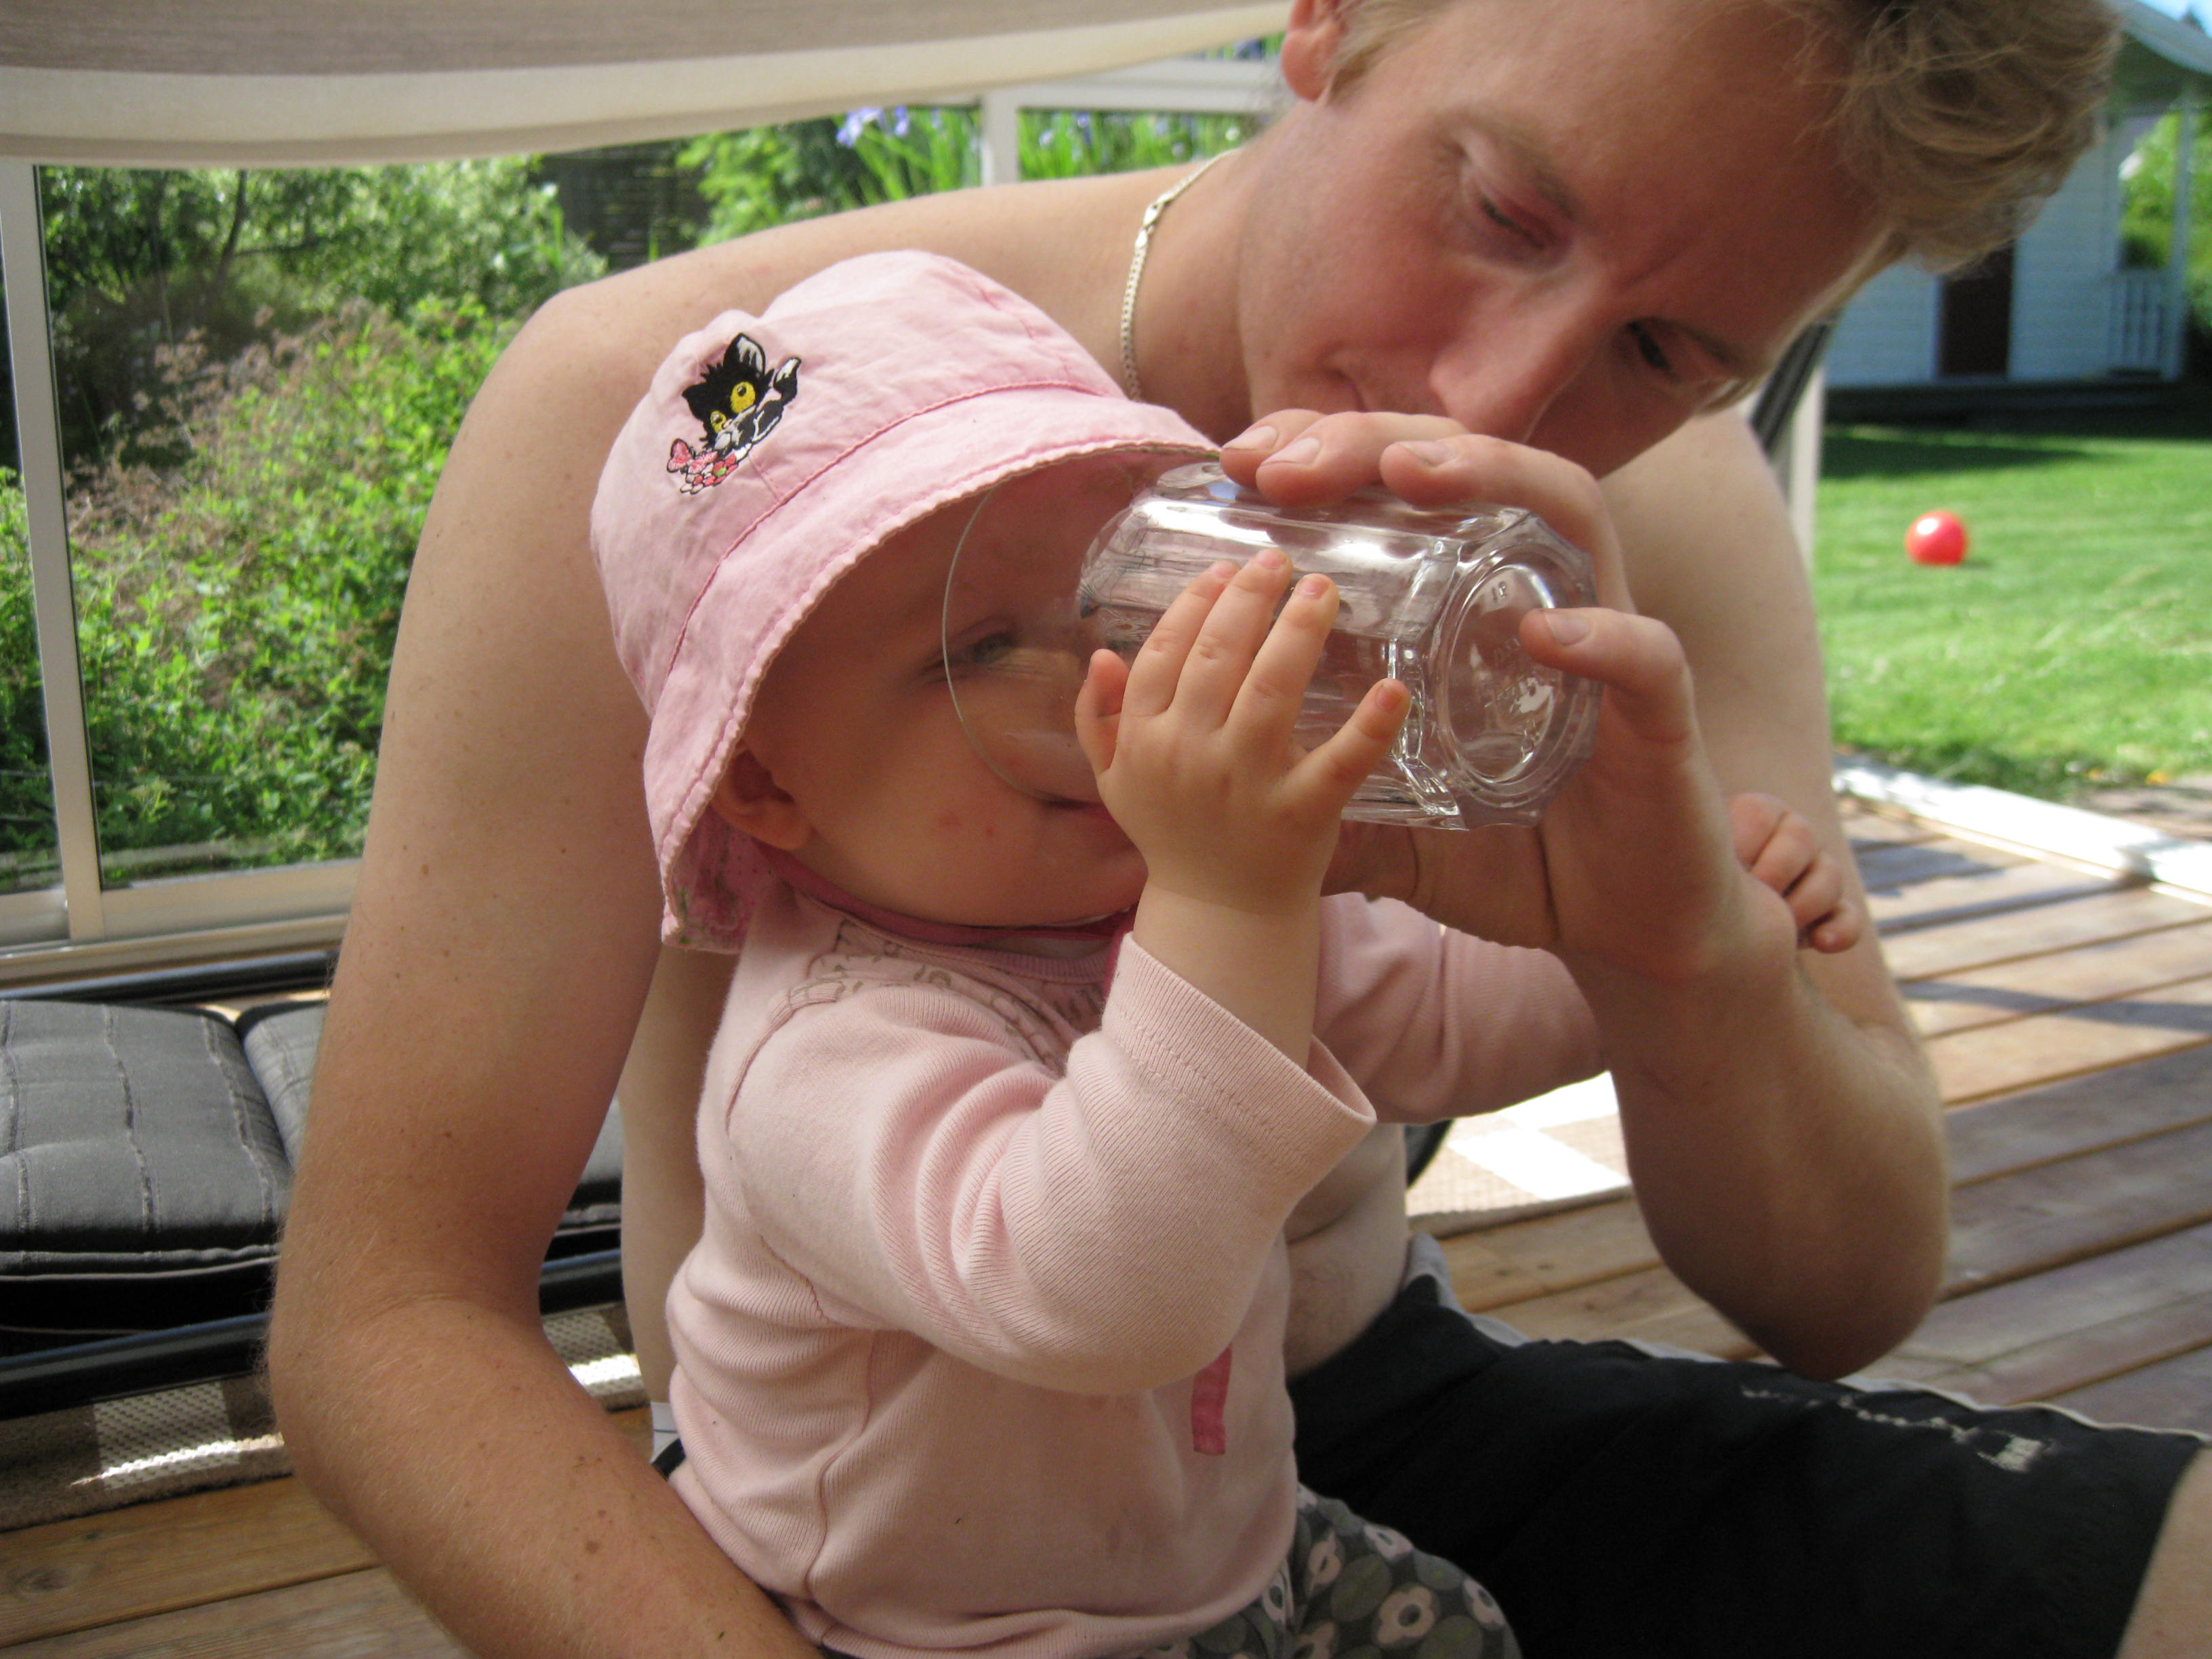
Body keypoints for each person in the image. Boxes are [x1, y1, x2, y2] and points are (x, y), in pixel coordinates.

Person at [266, 1, 2211, 1655]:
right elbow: (389, 1326)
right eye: (1502, 208)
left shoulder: (1643, 519)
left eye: (1669, 354)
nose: (1496, 397)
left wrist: (1677, 951)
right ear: (1332, 17)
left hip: (1304, 1452)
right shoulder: (707, 441)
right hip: (873, 1542)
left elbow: (1847, 1286)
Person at [595, 248, 1853, 1659]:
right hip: (921, 1630)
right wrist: (1230, 905)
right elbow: (1094, 1295)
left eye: (1116, 601)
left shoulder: (1158, 899)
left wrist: (1667, 922)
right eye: (986, 644)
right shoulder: (821, 1056)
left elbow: (1446, 1021)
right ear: (763, 778)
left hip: (1228, 1559)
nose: (1107, 679)